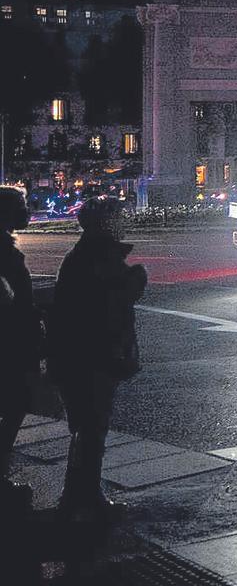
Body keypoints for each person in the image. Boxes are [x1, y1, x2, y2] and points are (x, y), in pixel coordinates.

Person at [48, 196, 146, 522]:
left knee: (85, 429)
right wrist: (137, 278)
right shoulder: (99, 256)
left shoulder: (83, 254)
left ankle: (80, 495)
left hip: (75, 356)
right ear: (106, 222)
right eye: (120, 216)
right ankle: (83, 498)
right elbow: (109, 304)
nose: (126, 221)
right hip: (92, 357)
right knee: (91, 429)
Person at [0, 187, 38, 495]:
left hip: (13, 340)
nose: (26, 211)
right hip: (10, 343)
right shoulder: (4, 253)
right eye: (21, 206)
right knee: (14, 404)